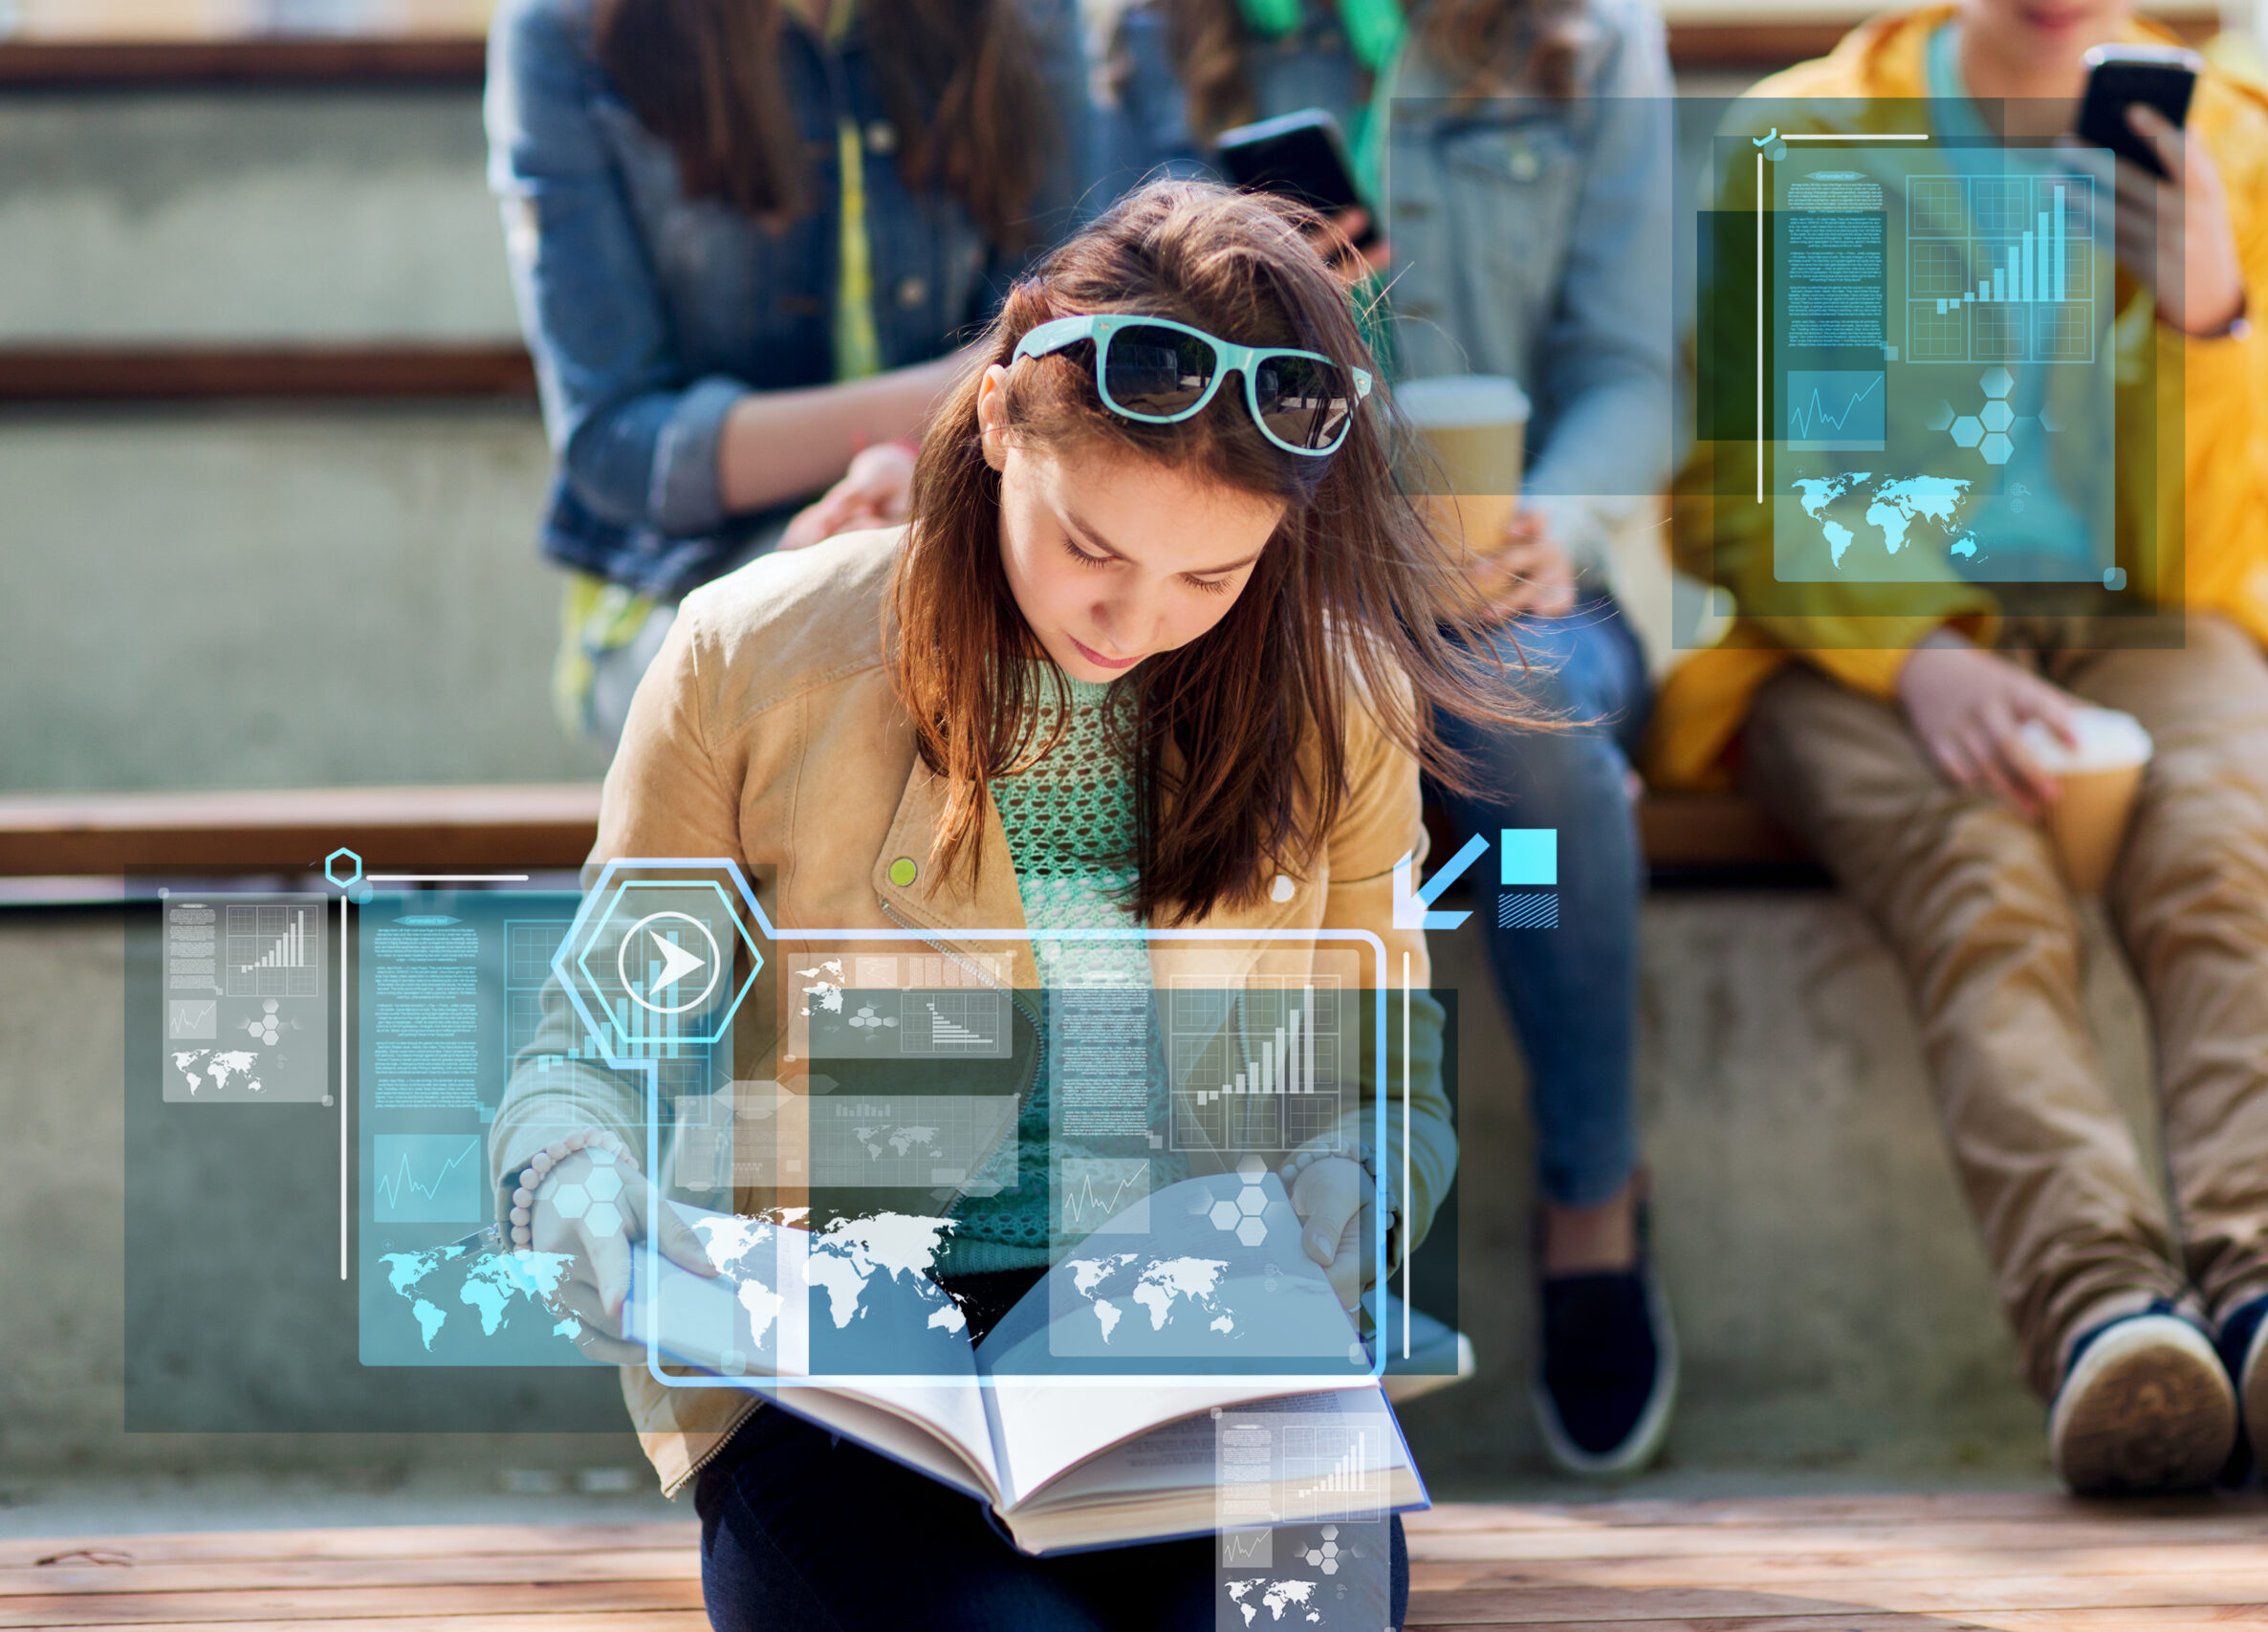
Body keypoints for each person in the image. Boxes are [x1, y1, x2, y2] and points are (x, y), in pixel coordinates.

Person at [488, 180, 1528, 1627]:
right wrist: (568, 1187)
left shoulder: (1339, 701)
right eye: (1091, 546)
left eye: (1211, 572)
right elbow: (585, 1050)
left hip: (1192, 1356)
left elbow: (1375, 1065)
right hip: (844, 1372)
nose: (1134, 615)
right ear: (993, 424)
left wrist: (1358, 1180)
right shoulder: (749, 651)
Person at [1650, 0, 2268, 1494]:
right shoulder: (1806, 145)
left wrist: (2209, 312)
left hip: (2154, 607)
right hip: (1855, 632)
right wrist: (1918, 655)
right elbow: (1748, 499)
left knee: (2219, 844)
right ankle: (2106, 1319)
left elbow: (2212, 554)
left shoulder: (2242, 153)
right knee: (1978, 876)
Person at [1095, 0, 1681, 1473]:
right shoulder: (1156, 35)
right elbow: (1094, 338)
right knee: (1246, 726)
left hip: (1517, 584)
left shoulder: (1594, 40)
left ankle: (1589, 1199)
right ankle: (1263, 1248)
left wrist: (1565, 521)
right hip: (1268, 576)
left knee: (1525, 767)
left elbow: (1630, 368)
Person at [487, 0, 1092, 748]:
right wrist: (936, 414)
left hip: (967, 522)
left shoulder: (1025, 18)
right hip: (686, 575)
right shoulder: (566, 30)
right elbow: (613, 443)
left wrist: (920, 487)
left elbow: (1072, 355)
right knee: (828, 651)